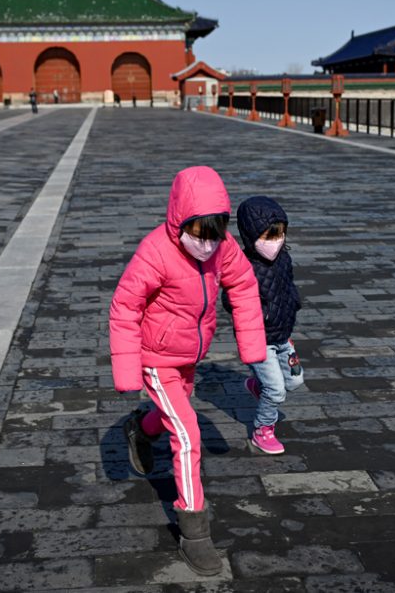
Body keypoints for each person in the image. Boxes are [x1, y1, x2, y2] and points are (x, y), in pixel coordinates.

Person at [109, 166, 266, 576]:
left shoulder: (223, 247)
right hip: (156, 357)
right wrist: (128, 371)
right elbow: (125, 307)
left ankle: (140, 430)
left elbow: (244, 287)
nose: (207, 243)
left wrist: (252, 348)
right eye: (199, 232)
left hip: (189, 355)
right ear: (179, 221)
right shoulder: (155, 251)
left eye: (215, 232)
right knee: (187, 432)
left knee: (171, 418)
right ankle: (194, 531)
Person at [234, 196, 304, 454]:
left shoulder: (284, 259)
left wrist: (294, 302)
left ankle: (259, 386)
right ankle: (262, 430)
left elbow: (287, 287)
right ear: (251, 235)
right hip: (258, 337)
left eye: (280, 234)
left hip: (282, 334)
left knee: (295, 381)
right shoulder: (243, 265)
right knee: (276, 391)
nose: (276, 242)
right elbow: (230, 301)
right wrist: (260, 312)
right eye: (269, 236)